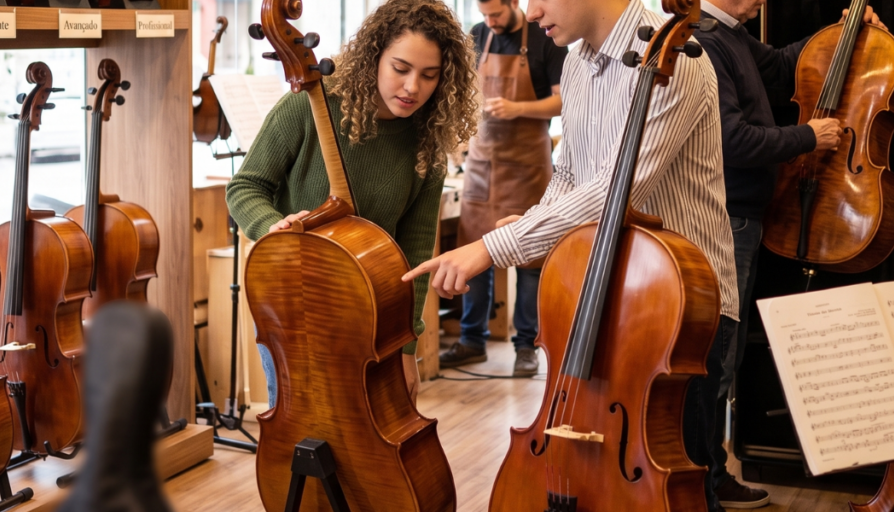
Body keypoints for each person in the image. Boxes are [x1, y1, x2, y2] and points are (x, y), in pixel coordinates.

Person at [403, 0, 740, 509]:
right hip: (602, 289)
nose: (531, 11)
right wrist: (539, 219)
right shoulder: (578, 59)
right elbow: (570, 175)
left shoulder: (680, 59)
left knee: (672, 488)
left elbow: (613, 192)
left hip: (674, 311)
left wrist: (492, 248)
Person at [226, 0, 478, 406]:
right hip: (296, 302)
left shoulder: (427, 144)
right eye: (400, 69)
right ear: (373, 58)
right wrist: (271, 226)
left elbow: (413, 256)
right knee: (301, 427)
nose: (413, 87)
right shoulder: (308, 104)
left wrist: (407, 349)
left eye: (429, 76)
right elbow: (245, 186)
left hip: (375, 318)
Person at [696, 1, 886, 508]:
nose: (762, 1)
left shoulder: (731, 32)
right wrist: (808, 136)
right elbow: (730, 139)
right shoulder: (706, 40)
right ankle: (706, 483)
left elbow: (782, 68)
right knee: (718, 358)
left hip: (746, 215)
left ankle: (712, 476)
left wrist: (843, 29)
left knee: (725, 358)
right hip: (729, 216)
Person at [440, 0, 567, 377]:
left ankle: (526, 347)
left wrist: (517, 108)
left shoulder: (545, 39)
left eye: (495, 13)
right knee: (472, 256)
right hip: (481, 166)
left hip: (527, 167)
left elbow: (563, 102)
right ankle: (471, 340)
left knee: (529, 261)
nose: (489, 21)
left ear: (514, 3)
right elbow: (461, 94)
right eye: (483, 14)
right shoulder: (478, 36)